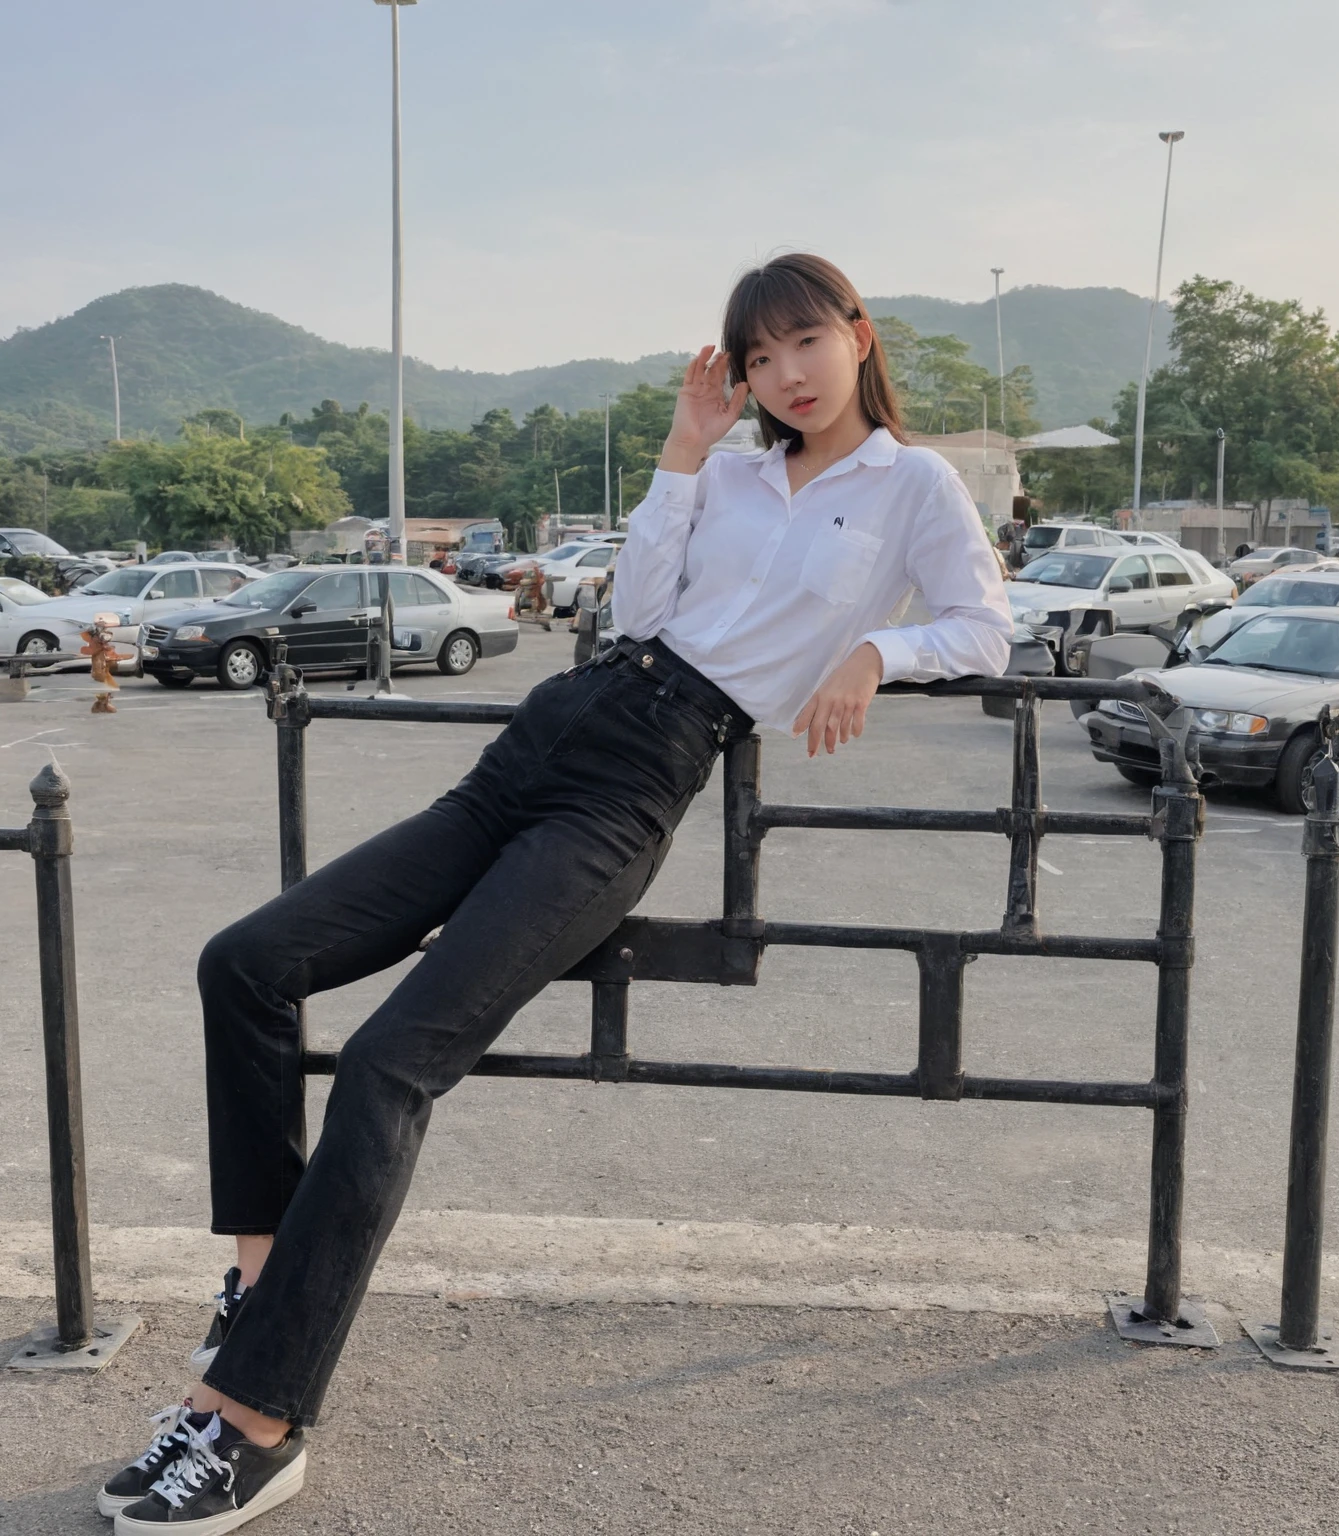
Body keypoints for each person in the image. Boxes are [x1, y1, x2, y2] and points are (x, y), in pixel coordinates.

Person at [98, 252, 1013, 1532]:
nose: (784, 376)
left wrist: (875, 646)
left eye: (804, 342)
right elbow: (637, 604)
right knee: (245, 962)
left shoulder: (915, 483)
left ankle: (259, 1418)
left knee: (390, 1061)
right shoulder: (734, 468)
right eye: (757, 359)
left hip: (629, 791)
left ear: (857, 336)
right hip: (548, 736)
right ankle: (259, 1288)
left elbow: (986, 624)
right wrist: (685, 454)